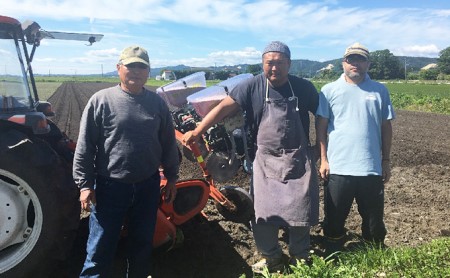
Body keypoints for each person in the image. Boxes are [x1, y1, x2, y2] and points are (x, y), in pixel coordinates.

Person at [182, 41, 319, 273]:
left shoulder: (304, 88)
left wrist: (321, 151)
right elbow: (223, 108)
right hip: (264, 159)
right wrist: (198, 131)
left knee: (300, 210)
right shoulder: (252, 86)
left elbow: (324, 117)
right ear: (262, 63)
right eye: (269, 63)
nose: (274, 68)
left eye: (279, 63)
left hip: (297, 159)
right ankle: (272, 257)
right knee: (262, 213)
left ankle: (300, 258)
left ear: (289, 64)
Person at [73, 45, 180, 277]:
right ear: (119, 68)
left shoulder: (157, 104)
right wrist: (85, 185)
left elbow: (168, 143)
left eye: (142, 67)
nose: (136, 71)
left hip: (147, 186)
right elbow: (85, 146)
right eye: (131, 66)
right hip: (110, 187)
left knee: (141, 246)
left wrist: (171, 177)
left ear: (148, 72)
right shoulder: (101, 101)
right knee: (100, 249)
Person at [316, 42, 395, 253]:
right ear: (343, 63)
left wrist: (385, 161)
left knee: (373, 221)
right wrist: (323, 159)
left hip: (370, 167)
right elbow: (321, 127)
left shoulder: (380, 91)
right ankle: (333, 254)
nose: (355, 64)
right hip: (339, 168)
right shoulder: (329, 90)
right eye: (351, 59)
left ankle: (373, 255)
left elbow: (386, 127)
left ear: (368, 63)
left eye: (360, 59)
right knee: (333, 219)